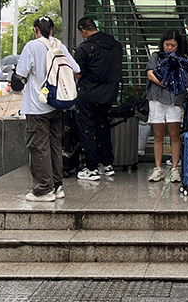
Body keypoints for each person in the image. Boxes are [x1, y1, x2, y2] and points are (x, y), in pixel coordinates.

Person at [16, 16, 80, 202]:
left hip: (37, 106)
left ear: (36, 29)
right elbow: (75, 68)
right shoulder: (59, 46)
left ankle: (43, 189)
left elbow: (20, 74)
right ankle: (57, 186)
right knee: (55, 146)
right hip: (56, 104)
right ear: (52, 30)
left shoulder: (32, 46)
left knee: (38, 147)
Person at [73, 17, 123, 181]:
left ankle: (92, 167)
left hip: (89, 93)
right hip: (108, 94)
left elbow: (78, 73)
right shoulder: (115, 45)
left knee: (87, 129)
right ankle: (107, 165)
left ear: (83, 31)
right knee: (103, 127)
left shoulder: (85, 48)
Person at [145, 30, 188, 183]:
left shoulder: (182, 59)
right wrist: (165, 83)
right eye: (167, 44)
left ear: (178, 46)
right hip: (156, 98)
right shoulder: (155, 56)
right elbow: (150, 74)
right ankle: (158, 168)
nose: (169, 47)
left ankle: (175, 168)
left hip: (175, 99)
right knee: (158, 135)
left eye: (173, 45)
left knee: (175, 135)